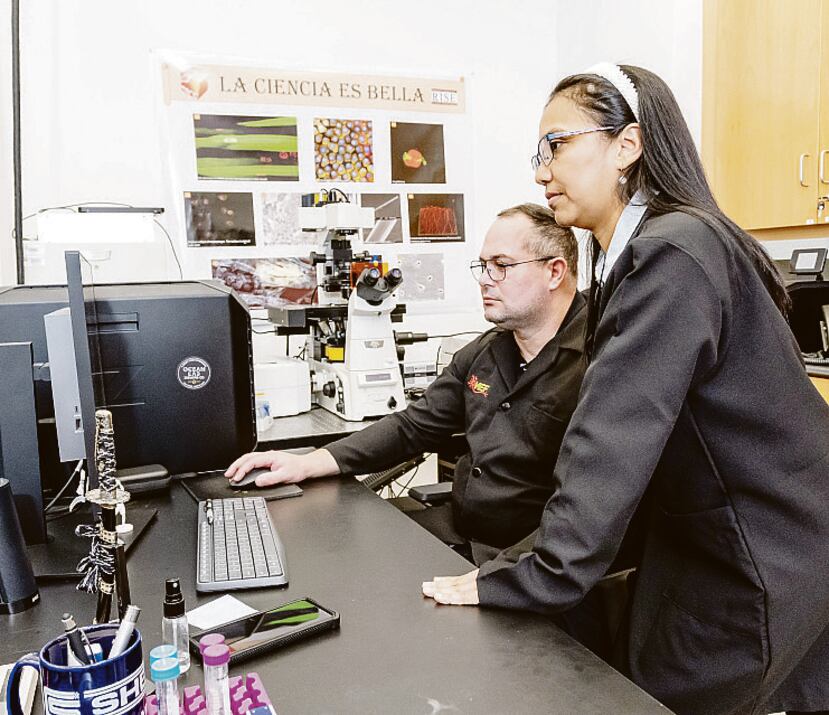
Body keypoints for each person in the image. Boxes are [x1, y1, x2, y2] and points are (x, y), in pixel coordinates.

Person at [421, 63, 829, 715]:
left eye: (557, 144)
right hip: (734, 537)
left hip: (758, 550)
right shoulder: (646, 252)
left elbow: (611, 438)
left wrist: (527, 575)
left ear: (627, 145)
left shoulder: (671, 252)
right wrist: (518, 564)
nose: (541, 170)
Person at [227, 204, 586, 563]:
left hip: (530, 559)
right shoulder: (487, 351)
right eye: (483, 265)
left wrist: (497, 577)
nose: (485, 279)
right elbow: (412, 427)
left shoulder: (596, 364)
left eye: (501, 265)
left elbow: (587, 511)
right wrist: (309, 462)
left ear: (554, 272)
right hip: (464, 533)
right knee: (327, 551)